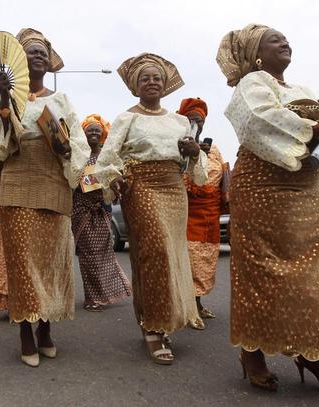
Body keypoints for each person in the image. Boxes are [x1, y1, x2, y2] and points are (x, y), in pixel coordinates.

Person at [216, 24, 319, 392]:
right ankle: (253, 353)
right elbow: (258, 121)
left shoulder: (301, 90)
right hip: (263, 188)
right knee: (262, 277)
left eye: (286, 38)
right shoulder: (252, 83)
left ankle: (316, 354)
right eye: (274, 40)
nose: (285, 42)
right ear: (256, 54)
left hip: (307, 189)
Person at [0, 28, 90, 367]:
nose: (38, 55)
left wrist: (68, 147)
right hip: (18, 179)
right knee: (23, 262)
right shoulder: (7, 96)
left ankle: (45, 327)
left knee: (51, 261)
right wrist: (3, 100)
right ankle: (25, 331)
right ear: (21, 61)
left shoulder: (61, 100)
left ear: (48, 62)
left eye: (43, 51)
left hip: (53, 181)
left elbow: (80, 141)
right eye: (31, 51)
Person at [94, 53, 208, 365]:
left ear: (165, 83)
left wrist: (194, 153)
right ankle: (153, 328)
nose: (152, 81)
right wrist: (115, 180)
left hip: (174, 188)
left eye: (157, 77)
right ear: (135, 86)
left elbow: (194, 169)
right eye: (145, 78)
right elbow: (106, 160)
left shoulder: (180, 122)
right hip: (141, 186)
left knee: (171, 255)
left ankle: (166, 318)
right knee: (153, 252)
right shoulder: (126, 118)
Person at [72, 114, 132, 312]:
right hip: (83, 210)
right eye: (90, 130)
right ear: (84, 133)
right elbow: (72, 181)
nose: (94, 133)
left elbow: (116, 179)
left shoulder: (107, 156)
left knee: (105, 254)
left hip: (102, 210)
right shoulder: (79, 156)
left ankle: (106, 292)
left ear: (103, 133)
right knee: (88, 255)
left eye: (97, 130)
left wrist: (113, 186)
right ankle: (91, 297)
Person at [177, 98, 225, 329]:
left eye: (200, 120)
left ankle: (198, 301)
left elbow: (223, 175)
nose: (197, 123)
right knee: (189, 260)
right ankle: (190, 306)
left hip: (210, 214)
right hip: (188, 212)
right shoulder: (178, 146)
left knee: (206, 260)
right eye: (192, 119)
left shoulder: (213, 149)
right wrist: (192, 155)